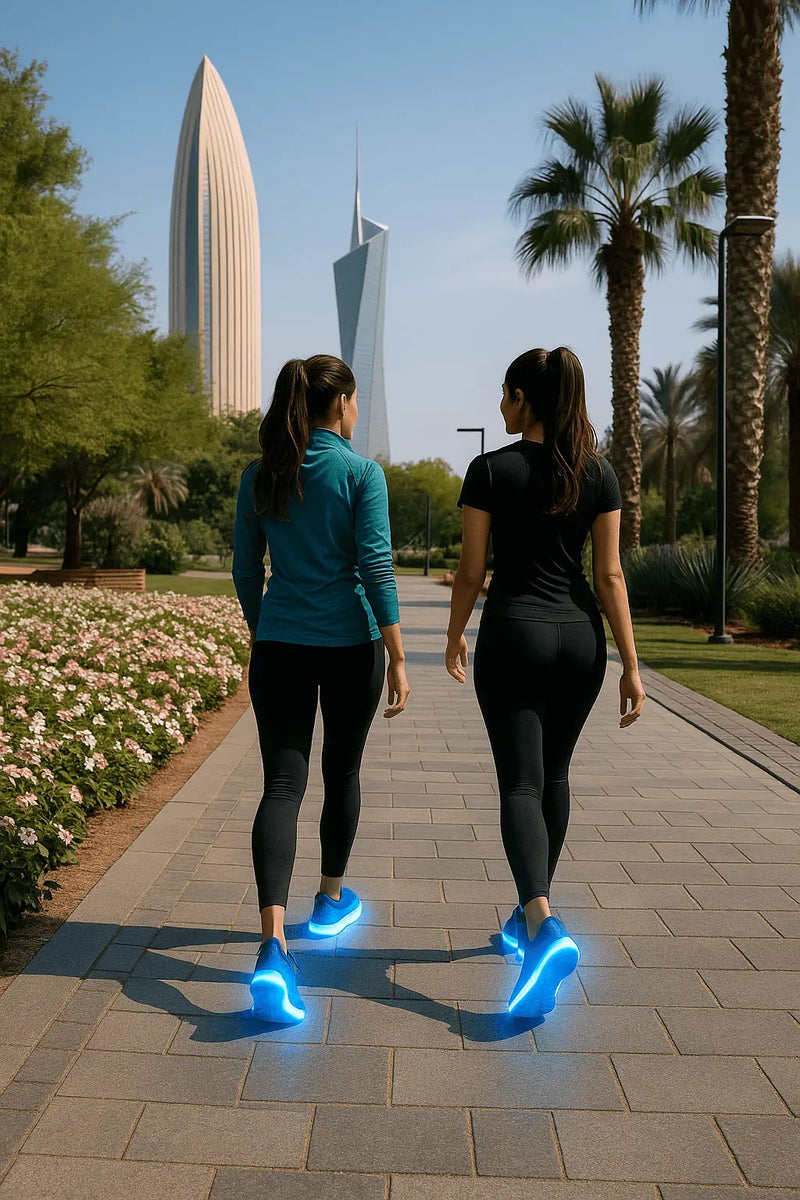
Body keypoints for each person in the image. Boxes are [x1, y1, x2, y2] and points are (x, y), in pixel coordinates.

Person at [445, 346, 645, 1019]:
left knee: (521, 784)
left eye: (506, 393)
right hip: (580, 640)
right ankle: (529, 916)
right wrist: (631, 665)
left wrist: (455, 634)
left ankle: (541, 922)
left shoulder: (489, 470)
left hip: (516, 635)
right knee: (554, 776)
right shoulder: (599, 472)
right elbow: (610, 575)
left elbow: (471, 572)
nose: (500, 404)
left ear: (525, 399)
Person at [233, 354, 409, 1025]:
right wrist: (398, 655)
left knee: (282, 785)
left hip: (279, 645)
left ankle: (272, 947)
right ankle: (330, 900)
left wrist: (264, 626)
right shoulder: (362, 474)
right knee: (343, 771)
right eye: (354, 400)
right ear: (340, 404)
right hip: (350, 646)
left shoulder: (261, 474)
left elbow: (245, 567)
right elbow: (376, 565)